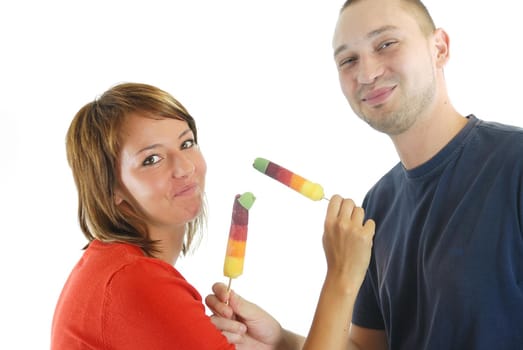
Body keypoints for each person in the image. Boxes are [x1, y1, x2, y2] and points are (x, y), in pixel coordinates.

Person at [205, 0, 523, 349]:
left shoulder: (514, 164)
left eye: (386, 44)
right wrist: (281, 341)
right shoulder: (379, 203)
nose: (367, 73)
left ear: (439, 48)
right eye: (348, 60)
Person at [50, 82, 375, 349]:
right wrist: (342, 278)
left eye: (187, 143)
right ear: (112, 189)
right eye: (152, 159)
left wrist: (278, 342)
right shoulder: (135, 282)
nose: (185, 167)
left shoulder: (110, 267)